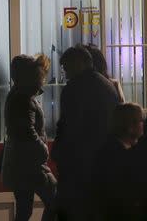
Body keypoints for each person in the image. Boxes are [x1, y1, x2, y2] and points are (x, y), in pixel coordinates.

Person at [51, 45, 120, 221]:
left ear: (80, 63)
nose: (66, 74)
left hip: (78, 163)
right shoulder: (108, 85)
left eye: (67, 68)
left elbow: (69, 125)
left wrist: (59, 152)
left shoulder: (74, 89)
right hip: (104, 160)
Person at [1, 54, 56, 221]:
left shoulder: (19, 95)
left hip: (20, 164)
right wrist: (43, 149)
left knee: (24, 210)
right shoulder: (23, 98)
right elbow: (27, 131)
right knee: (56, 200)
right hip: (31, 164)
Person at [91, 102, 144, 220]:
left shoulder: (113, 147)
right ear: (130, 125)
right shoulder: (118, 155)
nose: (143, 125)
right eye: (141, 120)